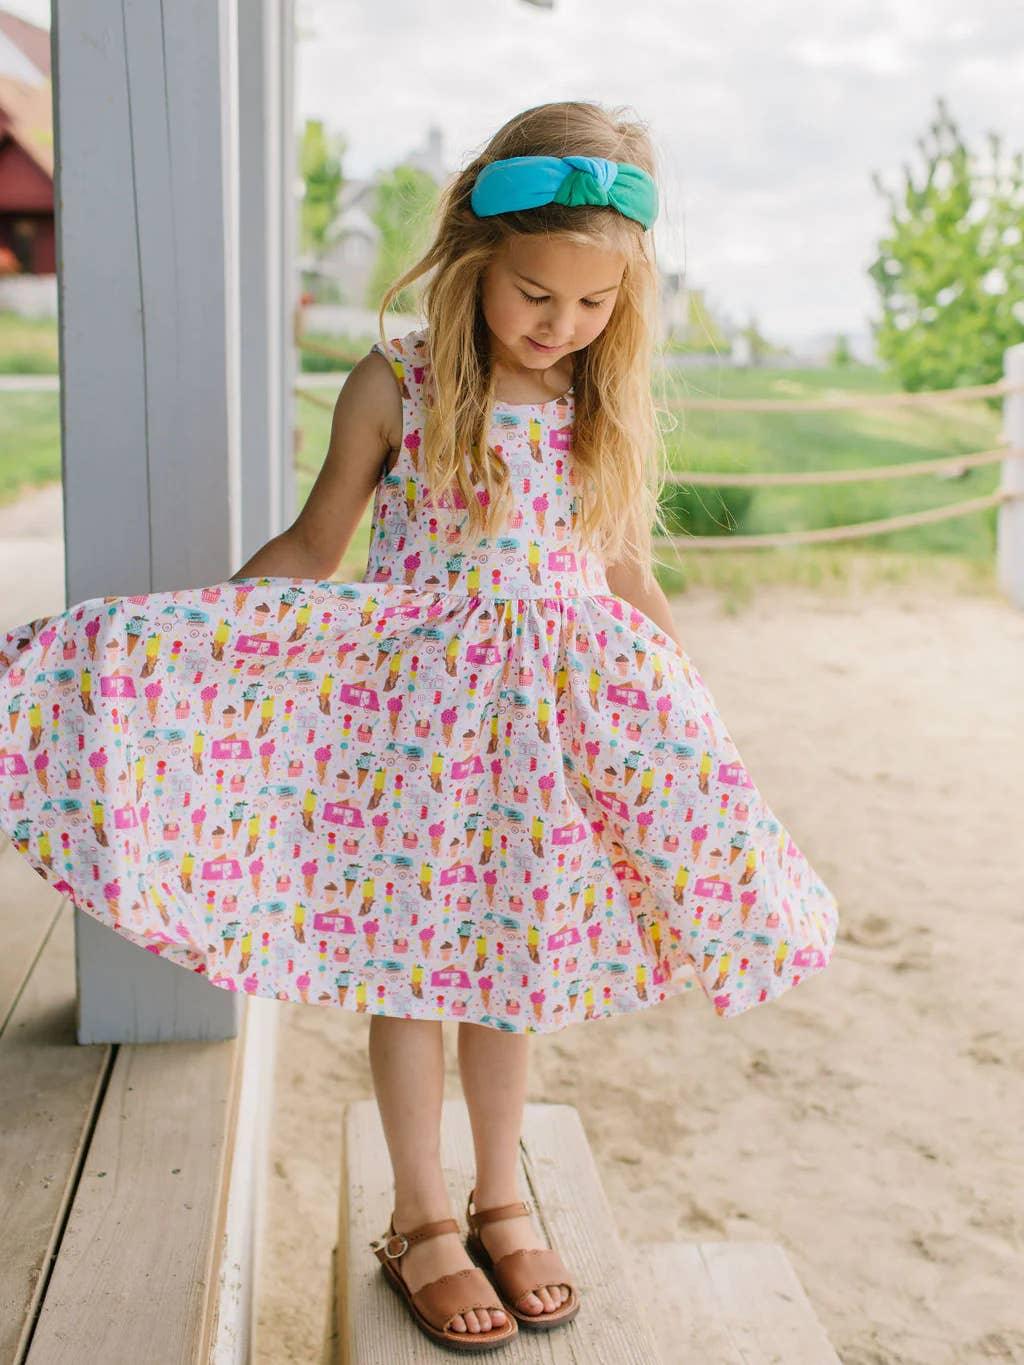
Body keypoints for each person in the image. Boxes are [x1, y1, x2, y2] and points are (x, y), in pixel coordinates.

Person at [0, 100, 839, 1350]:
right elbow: (316, 540)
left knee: (509, 971)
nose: (560, 325)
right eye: (535, 295)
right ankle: (423, 1214)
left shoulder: (593, 403)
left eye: (592, 305)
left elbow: (622, 573)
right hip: (417, 731)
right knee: (413, 969)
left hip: (544, 736)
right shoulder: (401, 385)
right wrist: (207, 641)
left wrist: (684, 697)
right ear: (473, 258)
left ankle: (504, 1196)